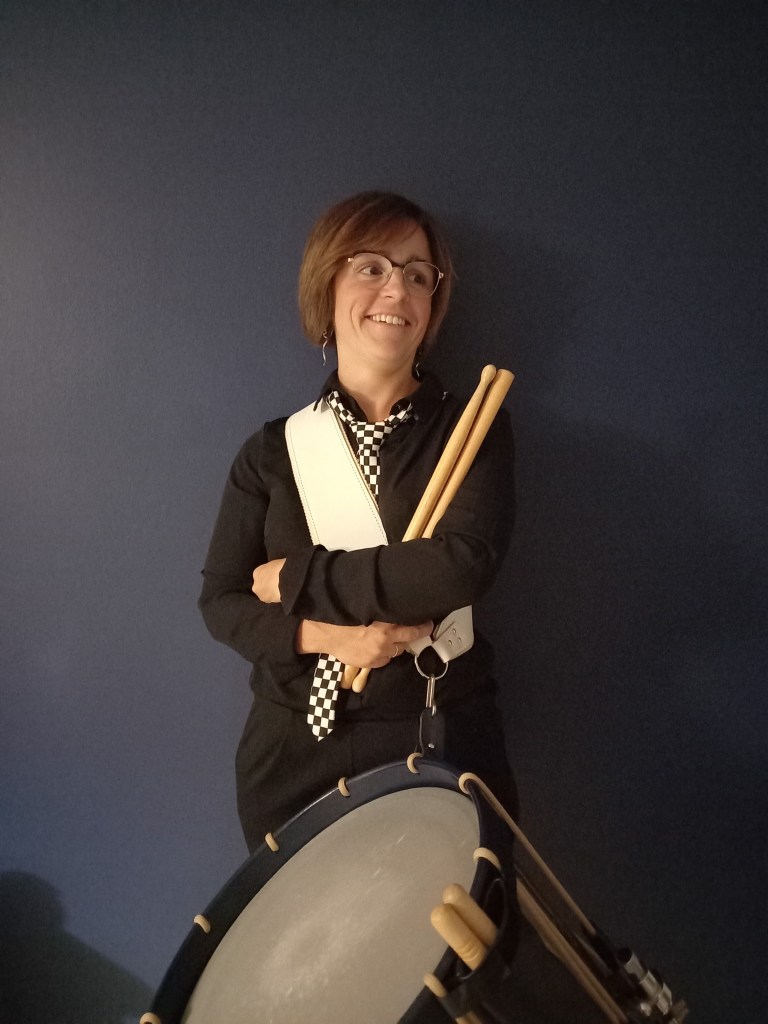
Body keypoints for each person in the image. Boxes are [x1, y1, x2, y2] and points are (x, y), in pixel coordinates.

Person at [199, 191, 516, 852]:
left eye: (418, 275)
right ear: (327, 283)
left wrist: (298, 578)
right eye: (371, 267)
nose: (396, 288)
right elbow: (222, 601)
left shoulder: (471, 428)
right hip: (293, 748)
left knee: (460, 917)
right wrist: (331, 638)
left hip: (435, 730)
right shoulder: (271, 450)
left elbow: (459, 566)